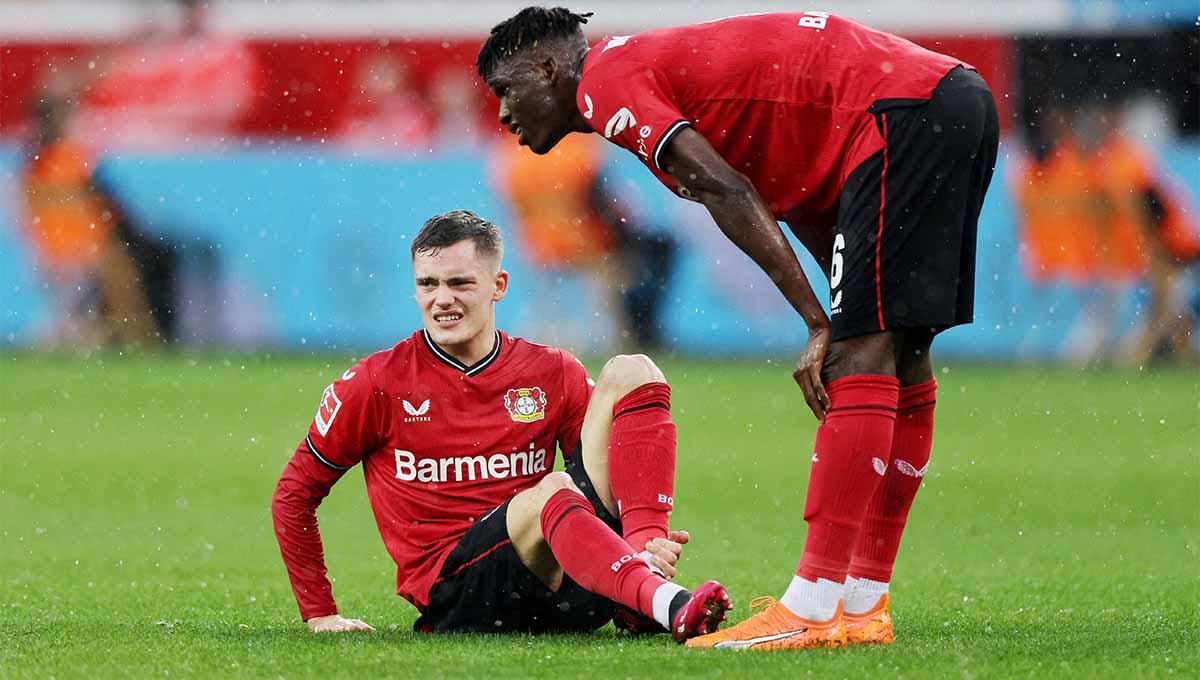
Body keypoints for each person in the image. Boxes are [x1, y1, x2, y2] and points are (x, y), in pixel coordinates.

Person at [477, 8, 999, 649]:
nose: (503, 114)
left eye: (506, 91)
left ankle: (810, 604)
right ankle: (863, 604)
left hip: (900, 110)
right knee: (903, 350)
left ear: (550, 69)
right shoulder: (639, 69)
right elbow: (791, 194)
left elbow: (723, 187)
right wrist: (831, 313)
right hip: (945, 99)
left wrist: (818, 323)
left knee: (860, 355)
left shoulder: (602, 81)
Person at [271, 210, 730, 640]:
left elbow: (608, 473)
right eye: (427, 284)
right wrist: (320, 614)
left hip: (565, 576)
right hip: (462, 595)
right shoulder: (376, 382)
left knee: (635, 369)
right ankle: (666, 602)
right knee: (554, 490)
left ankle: (642, 572)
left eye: (459, 283)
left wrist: (642, 530)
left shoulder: (550, 371)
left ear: (499, 285)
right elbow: (294, 495)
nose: (441, 299)